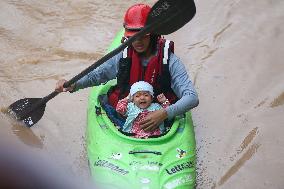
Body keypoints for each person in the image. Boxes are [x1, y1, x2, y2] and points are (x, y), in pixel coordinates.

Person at [55, 3, 199, 133]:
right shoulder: (121, 56)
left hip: (160, 112)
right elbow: (97, 76)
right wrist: (74, 84)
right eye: (132, 37)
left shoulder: (170, 60)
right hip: (126, 112)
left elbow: (191, 98)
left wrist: (164, 113)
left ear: (153, 35)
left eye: (143, 36)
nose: (137, 41)